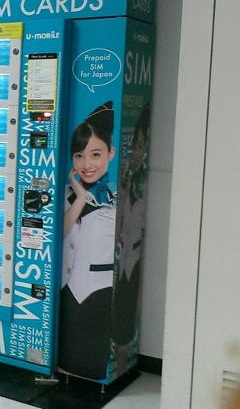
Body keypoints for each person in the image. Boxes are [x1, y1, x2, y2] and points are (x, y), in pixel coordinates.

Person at [58, 101, 116, 380]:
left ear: (111, 153)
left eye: (95, 154)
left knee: (90, 364)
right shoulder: (66, 194)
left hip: (99, 297)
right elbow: (59, 233)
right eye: (79, 156)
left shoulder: (118, 201)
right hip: (64, 295)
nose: (86, 164)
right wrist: (80, 197)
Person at [112, 102, 151, 373]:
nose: (138, 152)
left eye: (142, 145)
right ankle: (117, 366)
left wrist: (140, 293)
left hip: (134, 261)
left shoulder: (148, 182)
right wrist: (123, 189)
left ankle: (121, 368)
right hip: (119, 256)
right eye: (136, 145)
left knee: (124, 326)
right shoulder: (130, 178)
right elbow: (117, 228)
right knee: (116, 323)